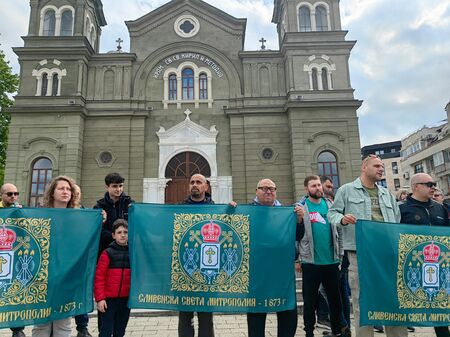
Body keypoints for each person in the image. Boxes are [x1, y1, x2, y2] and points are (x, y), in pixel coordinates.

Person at [328, 154, 407, 337]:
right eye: (377, 166)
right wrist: (343, 219)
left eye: (381, 166)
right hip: (359, 252)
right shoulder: (347, 190)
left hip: (387, 253)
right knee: (361, 300)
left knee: (393, 298)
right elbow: (332, 214)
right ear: (364, 167)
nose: (381, 169)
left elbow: (396, 219)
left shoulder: (386, 193)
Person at [246, 178, 303, 337]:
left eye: (272, 188)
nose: (268, 191)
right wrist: (231, 211)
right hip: (256, 270)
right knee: (257, 310)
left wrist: (299, 221)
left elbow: (298, 236)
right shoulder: (247, 211)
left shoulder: (287, 212)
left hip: (282, 269)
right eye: (264, 188)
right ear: (256, 191)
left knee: (287, 310)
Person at [297, 176, 350, 337]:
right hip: (310, 262)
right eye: (313, 186)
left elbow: (339, 232)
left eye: (319, 185)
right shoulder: (301, 207)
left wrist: (339, 256)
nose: (318, 188)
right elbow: (296, 235)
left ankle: (336, 331)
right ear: (307, 189)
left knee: (335, 301)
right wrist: (298, 259)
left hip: (331, 262)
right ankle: (309, 332)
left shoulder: (330, 206)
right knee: (310, 302)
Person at [399, 173, 450, 337]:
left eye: (434, 183)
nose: (433, 187)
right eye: (429, 184)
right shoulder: (402, 209)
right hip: (413, 267)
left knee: (439, 304)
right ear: (415, 187)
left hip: (440, 265)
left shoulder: (440, 207)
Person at [32, 176, 80, 337]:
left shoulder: (77, 218)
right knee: (41, 324)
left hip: (65, 277)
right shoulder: (40, 215)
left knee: (63, 324)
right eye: (61, 188)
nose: (65, 191)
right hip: (42, 278)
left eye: (68, 189)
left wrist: (99, 220)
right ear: (52, 192)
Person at [178, 174, 215, 337]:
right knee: (185, 315)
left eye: (199, 182)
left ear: (206, 187)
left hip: (207, 269)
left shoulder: (216, 209)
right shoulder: (179, 209)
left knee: (206, 315)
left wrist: (231, 210)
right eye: (192, 182)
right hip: (185, 269)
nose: (195, 185)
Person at [94, 219, 131, 337]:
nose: (123, 235)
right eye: (119, 232)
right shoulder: (107, 253)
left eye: (125, 232)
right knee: (105, 331)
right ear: (113, 235)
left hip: (125, 300)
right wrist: (100, 299)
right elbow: (99, 278)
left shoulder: (133, 253)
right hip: (108, 301)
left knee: (120, 331)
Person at [0, 183, 26, 337]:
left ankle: (17, 329)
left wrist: (22, 214)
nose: (13, 197)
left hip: (13, 257)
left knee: (15, 293)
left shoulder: (19, 210)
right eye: (10, 194)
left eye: (16, 193)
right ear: (1, 195)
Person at [94, 173, 134, 254]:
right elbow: (97, 230)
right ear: (107, 187)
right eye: (115, 186)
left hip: (127, 250)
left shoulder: (130, 204)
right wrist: (115, 237)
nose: (118, 189)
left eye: (121, 186)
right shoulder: (99, 207)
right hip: (105, 250)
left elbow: (135, 226)